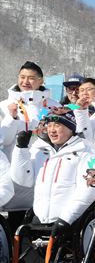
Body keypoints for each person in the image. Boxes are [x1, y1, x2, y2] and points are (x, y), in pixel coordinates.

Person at [10, 108, 95, 243]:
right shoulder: (39, 149)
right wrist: (20, 149)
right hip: (40, 218)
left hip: (72, 220)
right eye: (49, 125)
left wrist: (66, 219)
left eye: (57, 125)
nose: (51, 130)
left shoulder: (87, 152)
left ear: (71, 128)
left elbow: (89, 190)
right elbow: (23, 180)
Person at [0, 61, 60, 231]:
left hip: (47, 169)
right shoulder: (4, 106)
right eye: (22, 77)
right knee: (15, 224)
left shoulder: (55, 106)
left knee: (44, 224)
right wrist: (11, 119)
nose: (26, 81)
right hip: (17, 170)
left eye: (31, 78)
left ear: (41, 81)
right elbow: (2, 139)